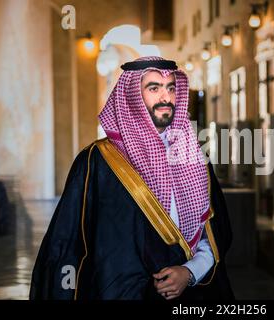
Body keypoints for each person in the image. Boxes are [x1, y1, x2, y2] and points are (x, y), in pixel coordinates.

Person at [29, 56, 234, 300]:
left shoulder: (195, 157)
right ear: (131, 95)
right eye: (154, 88)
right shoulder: (98, 160)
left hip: (189, 294)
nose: (165, 97)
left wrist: (190, 271)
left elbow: (214, 232)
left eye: (170, 88)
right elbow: (69, 242)